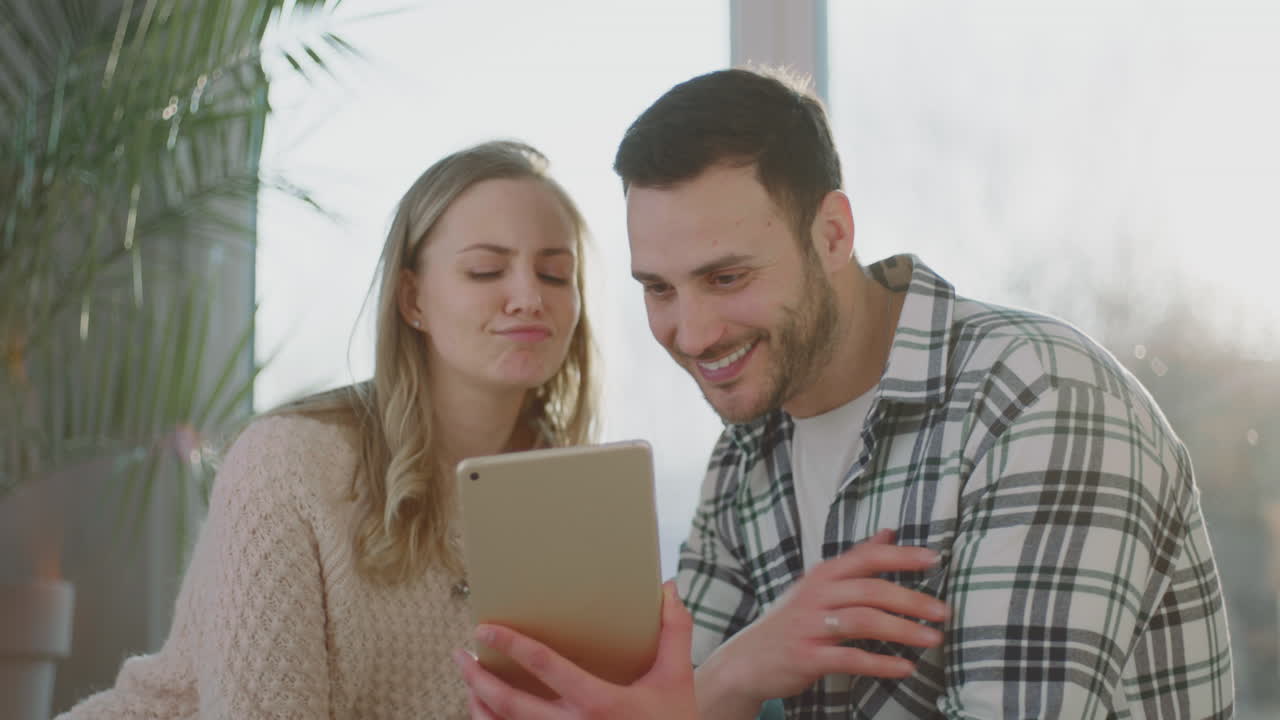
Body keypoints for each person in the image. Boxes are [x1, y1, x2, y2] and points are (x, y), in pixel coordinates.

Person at [457, 69, 1235, 719]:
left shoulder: (1036, 401)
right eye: (659, 289)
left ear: (832, 235)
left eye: (727, 278)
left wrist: (710, 694)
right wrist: (731, 677)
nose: (691, 335)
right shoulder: (746, 454)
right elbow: (665, 699)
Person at [57, 140, 600, 718]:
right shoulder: (288, 464)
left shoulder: (573, 493)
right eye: (485, 270)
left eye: (554, 273)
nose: (528, 297)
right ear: (412, 299)